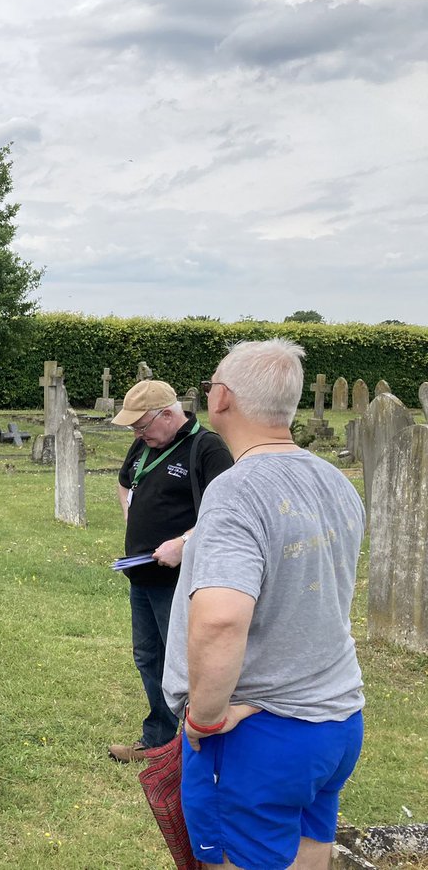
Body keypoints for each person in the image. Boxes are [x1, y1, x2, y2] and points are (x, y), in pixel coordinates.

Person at [164, 340, 365, 870]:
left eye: (210, 387)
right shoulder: (336, 482)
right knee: (308, 848)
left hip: (256, 731)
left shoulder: (236, 490)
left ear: (223, 398)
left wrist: (204, 720)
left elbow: (221, 617)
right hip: (336, 720)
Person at [108, 379, 233, 763]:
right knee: (148, 656)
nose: (138, 434)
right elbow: (125, 482)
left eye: (142, 426)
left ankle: (199, 742)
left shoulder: (206, 449)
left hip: (180, 581)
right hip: (142, 575)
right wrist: (134, 517)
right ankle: (159, 740)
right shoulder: (146, 443)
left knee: (186, 659)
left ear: (168, 414)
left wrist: (184, 543)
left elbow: (225, 512)